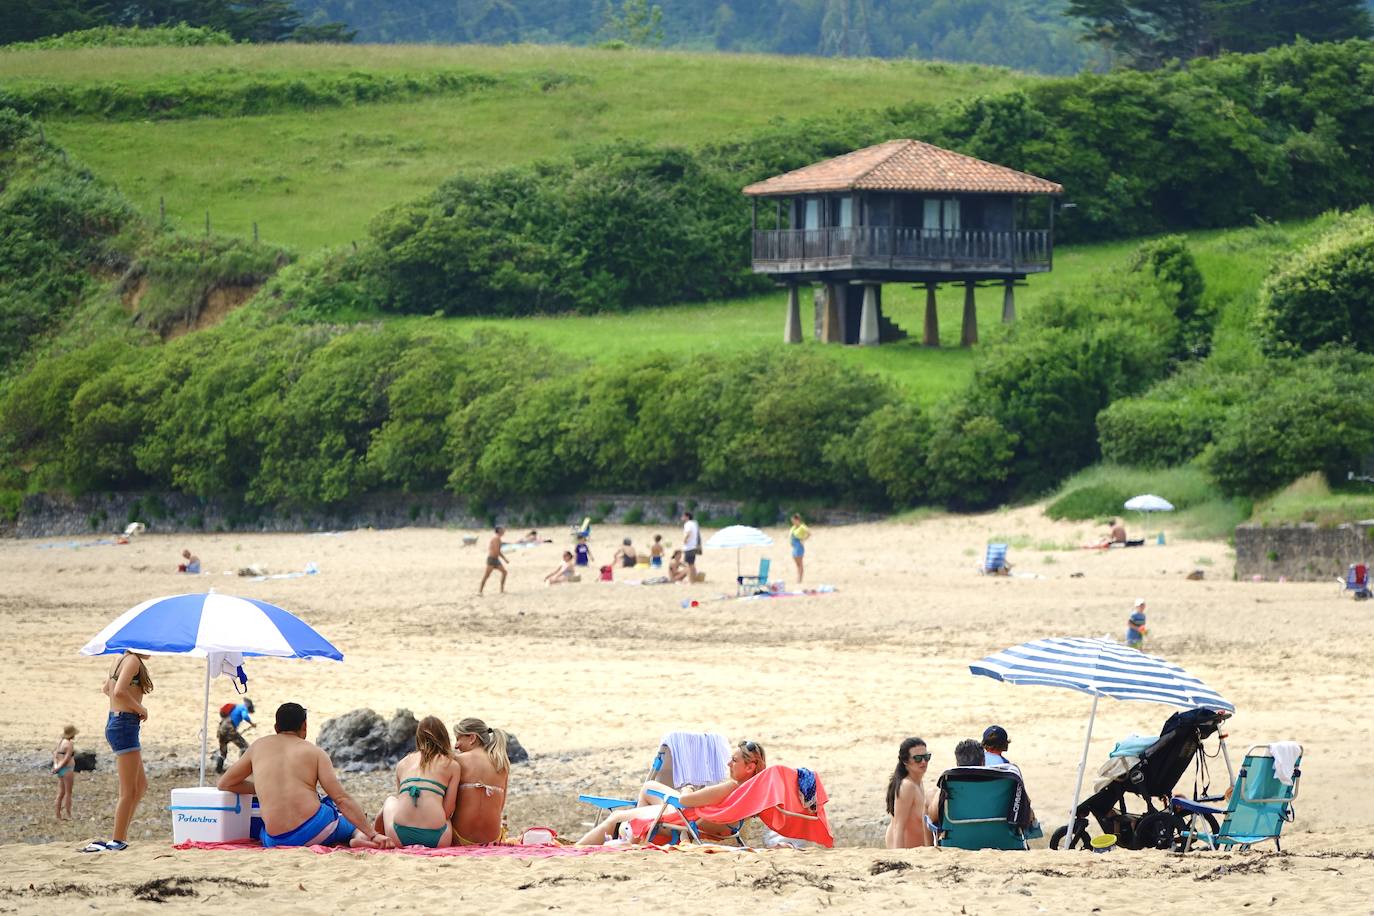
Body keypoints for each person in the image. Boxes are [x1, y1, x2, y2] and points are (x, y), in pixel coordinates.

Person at [217, 702, 392, 849]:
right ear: (304, 726)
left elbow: (225, 783)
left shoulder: (258, 746)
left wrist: (264, 788)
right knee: (343, 817)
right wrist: (373, 833)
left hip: (275, 840)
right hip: (315, 830)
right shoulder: (315, 752)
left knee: (260, 827)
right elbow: (341, 798)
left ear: (276, 727)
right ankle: (359, 837)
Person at [577, 740, 767, 845]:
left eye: (734, 760)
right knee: (648, 787)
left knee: (617, 816)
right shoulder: (751, 791)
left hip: (685, 816)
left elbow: (686, 800)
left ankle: (577, 849)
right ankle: (640, 834)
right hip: (696, 818)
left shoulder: (731, 787)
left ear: (750, 767)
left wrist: (689, 788)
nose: (728, 764)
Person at [82, 650, 152, 852]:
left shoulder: (120, 659)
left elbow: (106, 689)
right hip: (124, 724)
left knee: (140, 786)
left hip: (119, 721)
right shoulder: (132, 661)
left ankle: (121, 836)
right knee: (128, 791)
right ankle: (117, 840)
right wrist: (140, 708)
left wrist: (127, 705)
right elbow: (118, 691)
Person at [375, 716, 460, 848]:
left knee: (391, 801)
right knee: (444, 815)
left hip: (399, 836)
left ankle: (376, 836)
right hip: (438, 839)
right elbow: (448, 810)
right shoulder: (451, 765)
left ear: (418, 737)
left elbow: (402, 800)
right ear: (444, 737)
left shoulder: (403, 763)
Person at [451, 717, 512, 845]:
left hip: (459, 838)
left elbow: (447, 806)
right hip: (492, 839)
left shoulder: (458, 760)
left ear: (472, 738)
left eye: (458, 739)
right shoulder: (502, 764)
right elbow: (500, 807)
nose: (456, 745)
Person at [884, 737, 932, 848]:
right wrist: (899, 858)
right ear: (905, 761)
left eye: (926, 757)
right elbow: (898, 827)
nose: (923, 762)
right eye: (918, 758)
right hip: (906, 853)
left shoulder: (919, 783)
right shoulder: (907, 786)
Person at [215, 698, 254, 774]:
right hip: (229, 728)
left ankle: (218, 769)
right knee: (245, 747)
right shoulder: (243, 708)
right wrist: (251, 723)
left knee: (223, 751)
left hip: (221, 728)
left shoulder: (237, 707)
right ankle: (242, 768)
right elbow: (245, 716)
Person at [53, 725, 77, 820]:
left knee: (61, 793)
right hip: (67, 769)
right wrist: (59, 767)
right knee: (68, 793)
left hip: (60, 769)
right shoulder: (69, 744)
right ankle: (68, 814)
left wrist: (56, 767)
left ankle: (58, 814)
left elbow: (55, 755)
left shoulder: (61, 742)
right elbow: (67, 759)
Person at [479, 526, 509, 595]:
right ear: (499, 531)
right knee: (486, 575)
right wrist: (504, 559)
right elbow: (497, 551)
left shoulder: (499, 539)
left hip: (496, 559)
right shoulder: (496, 539)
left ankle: (502, 590)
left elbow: (498, 551)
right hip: (492, 560)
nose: (504, 531)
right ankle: (480, 591)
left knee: (504, 572)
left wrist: (505, 559)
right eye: (502, 530)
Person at [788, 513, 810, 583]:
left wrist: (803, 539)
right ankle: (798, 577)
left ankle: (800, 579)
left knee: (800, 563)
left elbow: (809, 533)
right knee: (797, 563)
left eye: (794, 520)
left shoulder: (802, 527)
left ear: (797, 520)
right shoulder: (793, 527)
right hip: (794, 546)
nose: (793, 522)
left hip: (799, 545)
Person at [681, 512, 701, 581]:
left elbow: (688, 532)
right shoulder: (694, 523)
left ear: (687, 517)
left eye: (683, 516)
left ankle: (690, 580)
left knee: (688, 565)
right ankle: (695, 578)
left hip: (689, 547)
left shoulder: (688, 524)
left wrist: (684, 540)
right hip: (693, 545)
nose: (682, 517)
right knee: (692, 564)